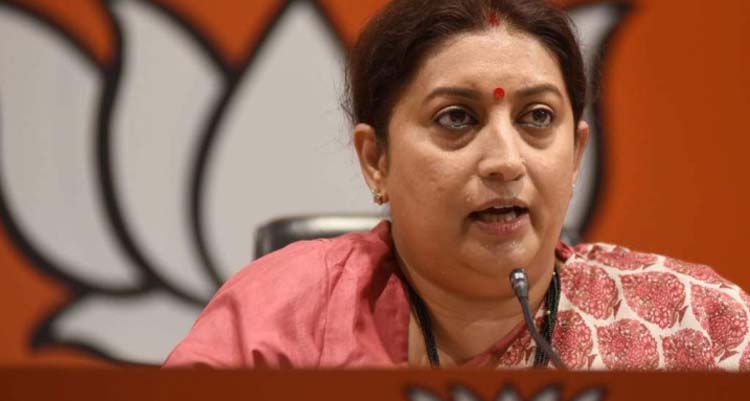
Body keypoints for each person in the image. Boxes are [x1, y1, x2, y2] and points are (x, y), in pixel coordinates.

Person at [164, 0, 750, 370]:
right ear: (376, 160)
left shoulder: (696, 325)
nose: (505, 161)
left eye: (537, 117)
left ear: (575, 155)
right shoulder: (280, 319)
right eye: (456, 118)